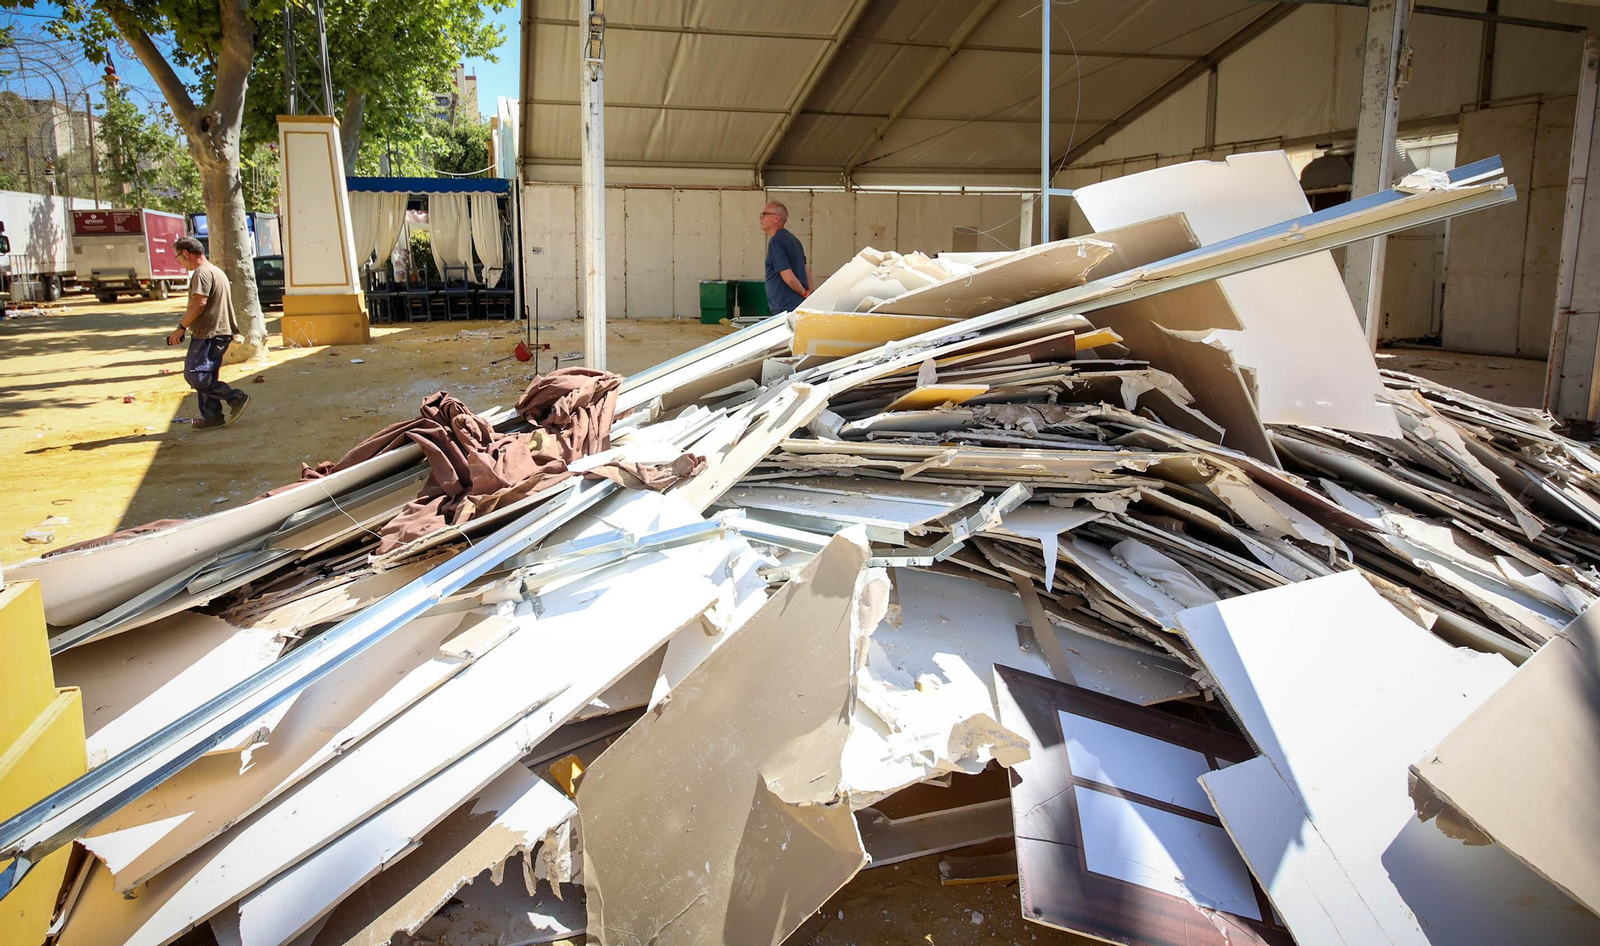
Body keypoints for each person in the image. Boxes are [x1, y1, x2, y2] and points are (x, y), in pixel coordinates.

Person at [167, 236, 250, 429]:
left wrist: (181, 328)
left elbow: (199, 303)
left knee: (195, 375)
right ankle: (212, 417)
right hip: (219, 332)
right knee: (206, 375)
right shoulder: (215, 271)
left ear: (186, 253)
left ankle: (235, 397)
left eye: (178, 257)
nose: (178, 261)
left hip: (209, 333)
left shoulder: (202, 273)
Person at [760, 201, 810, 314]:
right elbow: (806, 269)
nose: (760, 218)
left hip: (784, 305)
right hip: (797, 303)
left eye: (764, 214)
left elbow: (788, 276)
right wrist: (809, 292)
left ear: (776, 218)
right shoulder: (794, 240)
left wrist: (803, 293)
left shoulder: (776, 241)